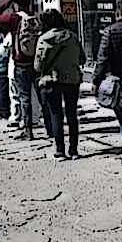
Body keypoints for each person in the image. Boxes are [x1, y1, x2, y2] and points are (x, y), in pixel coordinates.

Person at [34, 9, 85, 160]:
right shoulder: (73, 36)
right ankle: (74, 150)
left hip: (52, 80)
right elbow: (82, 59)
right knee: (72, 114)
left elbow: (38, 66)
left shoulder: (44, 39)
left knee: (56, 114)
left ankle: (60, 150)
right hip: (72, 79)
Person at [94, 0, 122, 165]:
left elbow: (102, 59)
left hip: (117, 81)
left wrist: (96, 80)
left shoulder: (109, 32)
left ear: (117, 12)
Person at [0, 0, 35, 127]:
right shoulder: (35, 17)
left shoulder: (14, 19)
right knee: (34, 94)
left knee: (18, 93)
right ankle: (43, 123)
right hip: (35, 61)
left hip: (19, 61)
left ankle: (23, 122)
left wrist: (6, 2)